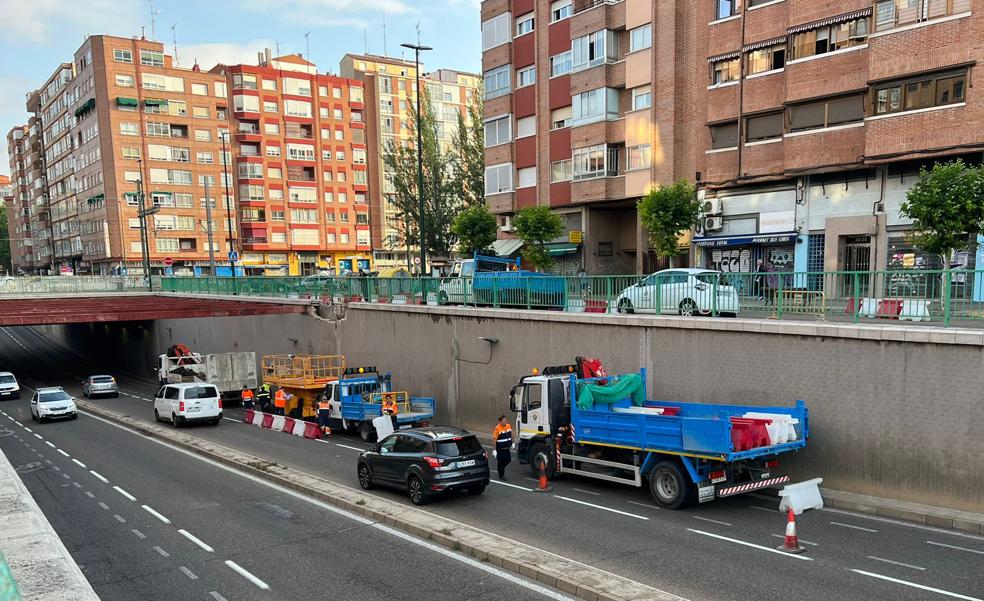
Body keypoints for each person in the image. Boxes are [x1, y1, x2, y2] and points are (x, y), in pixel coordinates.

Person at [492, 415, 513, 480]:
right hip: (500, 449)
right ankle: (501, 476)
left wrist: (513, 442)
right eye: (504, 420)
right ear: (500, 421)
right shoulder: (497, 429)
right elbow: (494, 440)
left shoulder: (508, 426)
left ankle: (500, 468)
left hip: (507, 448)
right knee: (500, 462)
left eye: (506, 420)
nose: (505, 422)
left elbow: (512, 434)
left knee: (508, 459)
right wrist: (494, 450)